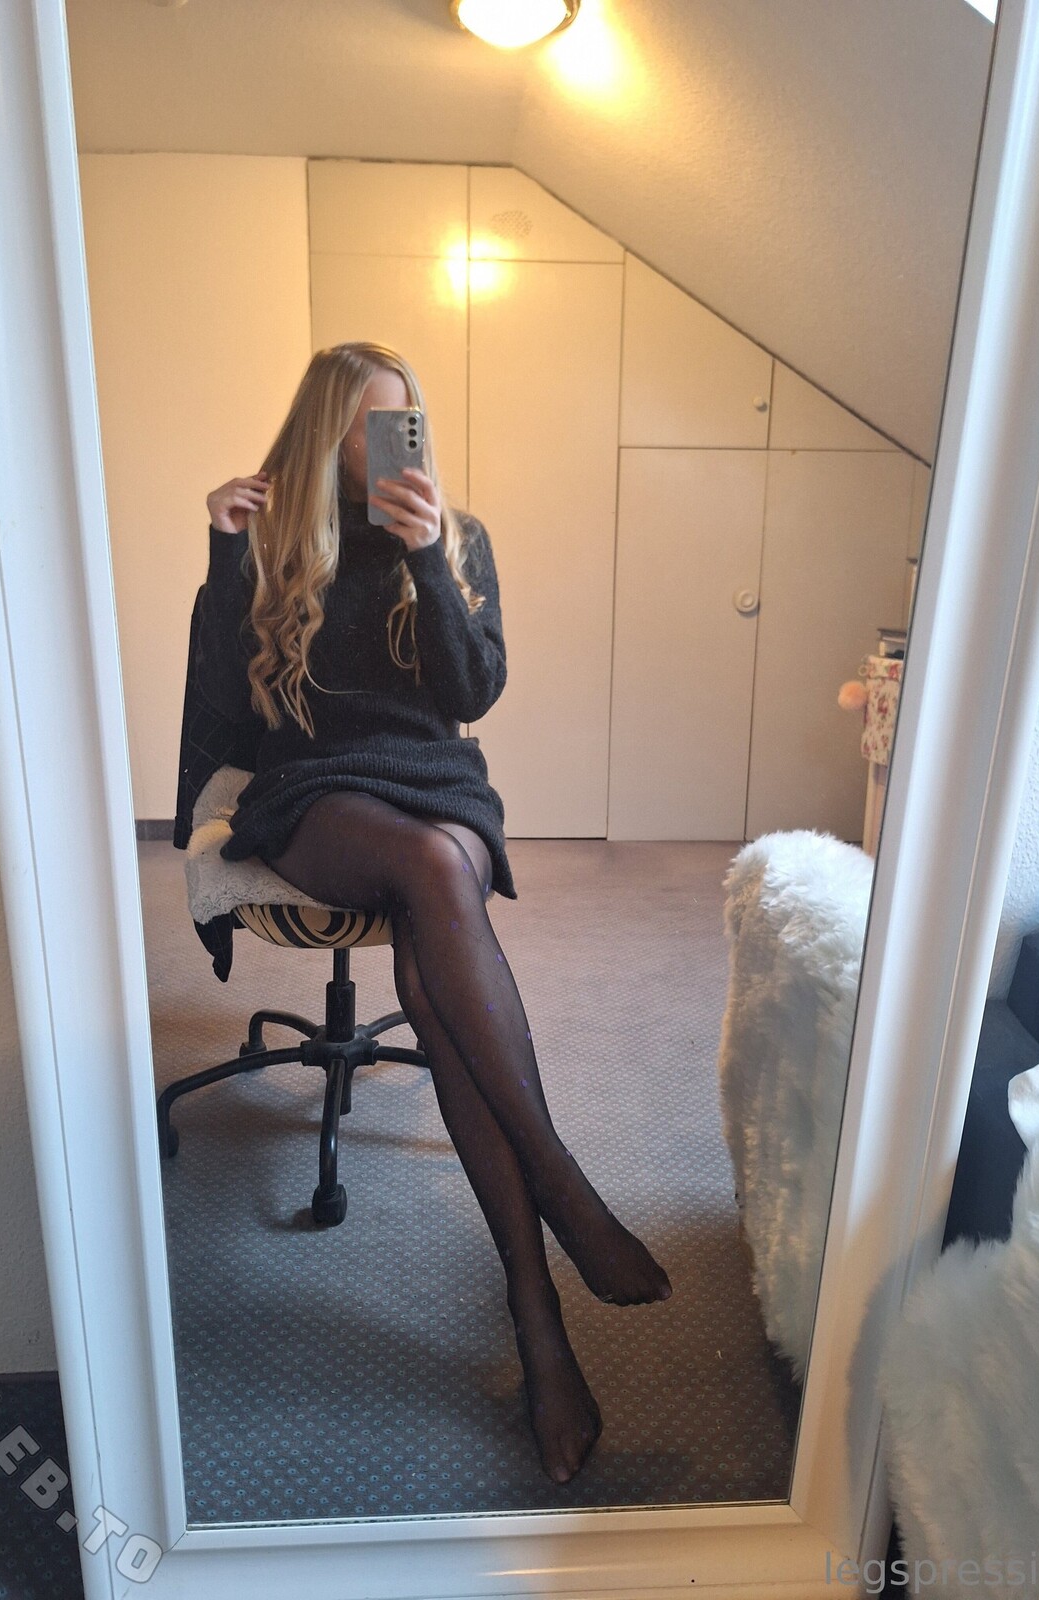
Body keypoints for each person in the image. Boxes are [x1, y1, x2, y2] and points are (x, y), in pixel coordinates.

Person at [196, 340, 671, 1486]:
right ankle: (557, 1189)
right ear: (326, 435)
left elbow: (470, 693)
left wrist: (426, 559)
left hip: (437, 778)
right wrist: (221, 555)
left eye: (401, 421)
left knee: (437, 908)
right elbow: (223, 712)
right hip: (317, 789)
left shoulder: (456, 535)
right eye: (366, 425)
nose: (387, 446)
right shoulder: (268, 541)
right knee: (428, 869)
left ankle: (536, 1316)